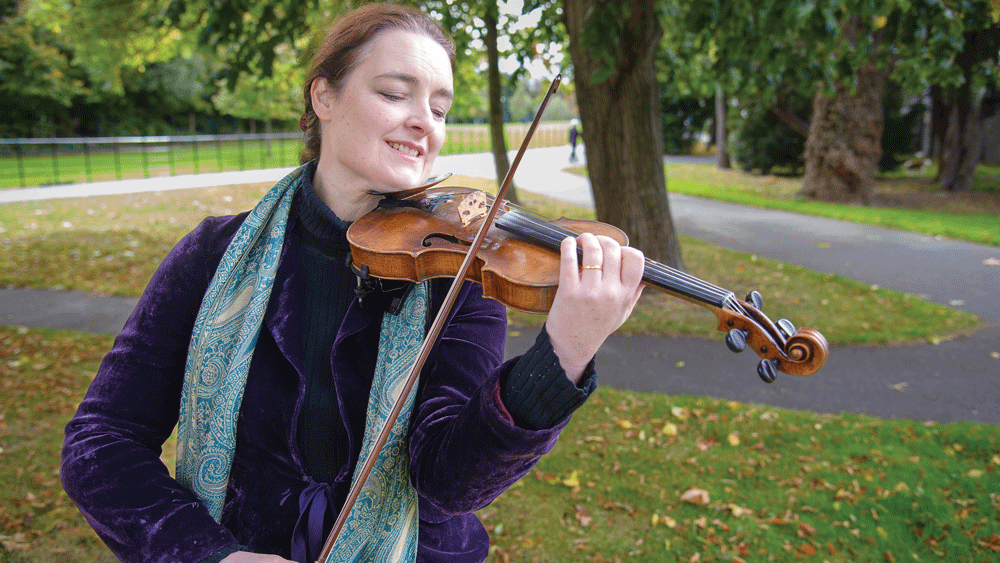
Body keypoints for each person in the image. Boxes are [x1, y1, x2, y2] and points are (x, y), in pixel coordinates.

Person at [60, 4, 644, 563]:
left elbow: (451, 480)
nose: (424, 123)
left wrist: (563, 353)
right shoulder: (212, 255)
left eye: (439, 109)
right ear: (324, 96)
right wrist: (210, 554)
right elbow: (102, 440)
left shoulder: (457, 272)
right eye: (394, 93)